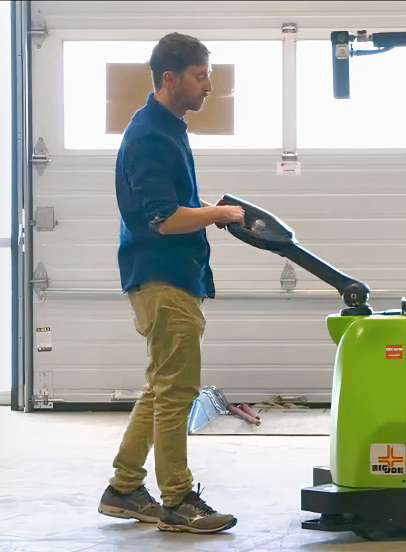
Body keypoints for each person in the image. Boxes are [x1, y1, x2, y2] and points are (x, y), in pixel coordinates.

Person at [97, 32, 245, 534]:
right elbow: (160, 218)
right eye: (200, 77)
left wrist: (208, 214)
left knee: (161, 388)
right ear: (169, 78)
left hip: (170, 275)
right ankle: (177, 499)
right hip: (161, 276)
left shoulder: (167, 128)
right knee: (178, 390)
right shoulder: (150, 137)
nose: (209, 86)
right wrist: (216, 212)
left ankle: (123, 488)